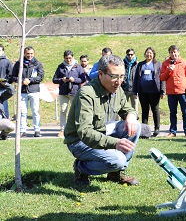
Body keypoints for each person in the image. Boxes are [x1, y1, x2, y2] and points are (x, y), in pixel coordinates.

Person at [64, 54, 141, 186]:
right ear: (100, 74)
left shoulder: (117, 90)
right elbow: (85, 132)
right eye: (114, 76)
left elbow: (128, 109)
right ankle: (81, 168)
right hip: (79, 141)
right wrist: (115, 143)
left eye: (122, 76)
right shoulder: (87, 94)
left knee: (136, 126)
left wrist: (131, 116)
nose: (119, 81)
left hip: (103, 132)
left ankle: (115, 173)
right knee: (118, 159)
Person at [160, 45, 186, 138]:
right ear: (169, 53)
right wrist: (168, 70)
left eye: (175, 52)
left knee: (185, 112)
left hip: (182, 91)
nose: (173, 54)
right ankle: (172, 131)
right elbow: (162, 77)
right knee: (172, 113)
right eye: (171, 52)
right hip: (171, 92)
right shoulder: (165, 64)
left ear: (178, 53)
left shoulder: (184, 63)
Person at [11, 46, 44, 138]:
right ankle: (22, 130)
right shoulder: (19, 64)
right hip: (23, 91)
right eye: (28, 54)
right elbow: (13, 76)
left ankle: (37, 130)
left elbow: (40, 77)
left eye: (31, 54)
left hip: (34, 91)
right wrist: (21, 80)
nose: (29, 55)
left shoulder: (38, 64)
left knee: (35, 111)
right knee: (22, 112)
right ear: (24, 54)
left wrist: (30, 80)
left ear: (34, 54)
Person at [53, 50, 86, 137]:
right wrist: (61, 80)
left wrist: (73, 80)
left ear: (73, 57)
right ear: (64, 58)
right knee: (63, 110)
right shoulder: (60, 67)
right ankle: (62, 129)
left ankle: (76, 128)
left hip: (74, 92)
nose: (68, 60)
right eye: (66, 58)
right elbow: (54, 79)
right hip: (63, 92)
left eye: (70, 58)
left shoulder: (78, 67)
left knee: (76, 111)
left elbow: (82, 79)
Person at [133, 47, 165, 137]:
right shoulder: (140, 65)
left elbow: (162, 78)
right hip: (143, 92)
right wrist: (135, 91)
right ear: (145, 54)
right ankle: (144, 130)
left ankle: (157, 128)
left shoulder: (158, 64)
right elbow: (136, 78)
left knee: (155, 109)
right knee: (144, 110)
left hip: (154, 91)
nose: (149, 54)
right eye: (147, 53)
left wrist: (162, 91)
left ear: (153, 54)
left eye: (150, 53)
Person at [0, 44, 13, 119]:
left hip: (3, 88)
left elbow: (11, 74)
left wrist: (6, 82)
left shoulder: (6, 62)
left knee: (4, 106)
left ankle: (5, 122)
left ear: (3, 51)